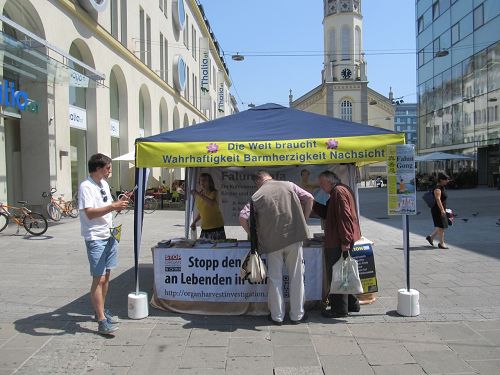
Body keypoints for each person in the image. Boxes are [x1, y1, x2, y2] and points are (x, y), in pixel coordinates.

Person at [239, 171, 313, 325]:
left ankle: (277, 316)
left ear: (259, 180)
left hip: (272, 243)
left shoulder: (257, 196)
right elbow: (309, 198)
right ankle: (297, 315)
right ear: (269, 177)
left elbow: (242, 217)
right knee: (297, 276)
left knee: (275, 279)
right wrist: (304, 221)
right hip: (294, 238)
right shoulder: (290, 186)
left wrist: (254, 236)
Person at [78, 153, 129, 335]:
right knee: (98, 278)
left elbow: (107, 207)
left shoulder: (104, 184)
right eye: (108, 168)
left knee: (107, 276)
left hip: (110, 234)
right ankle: (101, 320)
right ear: (98, 168)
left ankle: (100, 310)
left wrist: (118, 206)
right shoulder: (86, 186)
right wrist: (113, 206)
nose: (110, 171)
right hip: (96, 237)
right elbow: (90, 213)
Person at [312, 170, 361, 318]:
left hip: (338, 241)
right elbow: (328, 212)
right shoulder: (340, 190)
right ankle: (352, 304)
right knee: (346, 272)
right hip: (341, 239)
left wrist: (345, 241)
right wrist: (313, 204)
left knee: (338, 274)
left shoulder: (338, 192)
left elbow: (344, 218)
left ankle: (339, 309)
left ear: (329, 181)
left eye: (322, 183)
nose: (321, 186)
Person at [190, 173, 226, 240]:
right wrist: (194, 222)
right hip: (205, 228)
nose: (202, 182)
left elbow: (211, 203)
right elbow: (201, 212)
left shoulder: (214, 193)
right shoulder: (199, 196)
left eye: (205, 180)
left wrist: (198, 194)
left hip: (216, 227)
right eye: (201, 180)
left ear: (210, 182)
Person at [426, 172, 451, 249]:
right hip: (437, 210)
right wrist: (442, 210)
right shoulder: (438, 188)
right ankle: (441, 243)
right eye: (446, 179)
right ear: (441, 180)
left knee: (440, 226)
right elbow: (438, 199)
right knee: (441, 226)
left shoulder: (442, 187)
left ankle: (431, 237)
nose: (448, 181)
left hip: (440, 209)